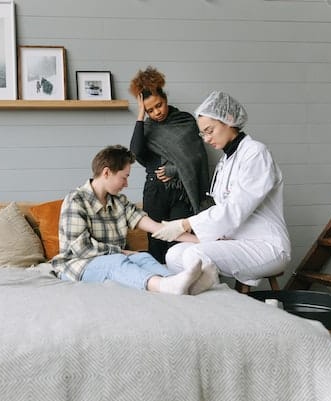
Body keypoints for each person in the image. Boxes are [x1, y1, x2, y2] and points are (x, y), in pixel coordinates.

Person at [151, 91, 291, 289]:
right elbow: (219, 209)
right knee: (174, 255)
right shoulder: (225, 162)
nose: (206, 139)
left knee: (194, 255)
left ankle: (217, 305)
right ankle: (207, 298)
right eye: (203, 133)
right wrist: (184, 231)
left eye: (210, 130)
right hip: (235, 242)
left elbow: (235, 209)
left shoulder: (255, 153)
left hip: (266, 245)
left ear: (229, 119)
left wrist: (185, 224)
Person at [51, 145, 215, 296]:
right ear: (106, 172)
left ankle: (187, 284)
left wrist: (202, 240)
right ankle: (163, 285)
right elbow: (82, 249)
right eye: (124, 177)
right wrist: (121, 251)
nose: (126, 184)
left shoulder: (119, 202)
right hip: (77, 266)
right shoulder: (76, 200)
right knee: (117, 261)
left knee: (143, 258)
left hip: (114, 258)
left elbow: (158, 229)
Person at [129, 66, 210, 263]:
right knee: (156, 242)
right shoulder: (147, 127)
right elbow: (136, 151)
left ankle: (179, 287)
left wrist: (173, 170)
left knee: (179, 243)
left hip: (181, 193)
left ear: (165, 100)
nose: (157, 112)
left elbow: (196, 158)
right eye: (150, 110)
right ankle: (159, 288)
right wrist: (140, 115)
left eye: (159, 105)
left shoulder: (185, 121)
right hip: (155, 192)